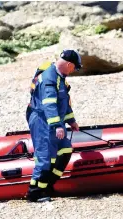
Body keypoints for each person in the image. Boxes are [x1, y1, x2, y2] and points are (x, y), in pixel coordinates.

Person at [26, 49, 82, 202]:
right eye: (75, 68)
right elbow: (49, 104)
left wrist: (71, 121)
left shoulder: (61, 77)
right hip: (42, 120)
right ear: (69, 64)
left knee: (65, 149)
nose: (74, 71)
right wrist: (57, 125)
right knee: (45, 157)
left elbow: (64, 101)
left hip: (53, 120)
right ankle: (35, 192)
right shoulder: (50, 78)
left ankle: (48, 185)